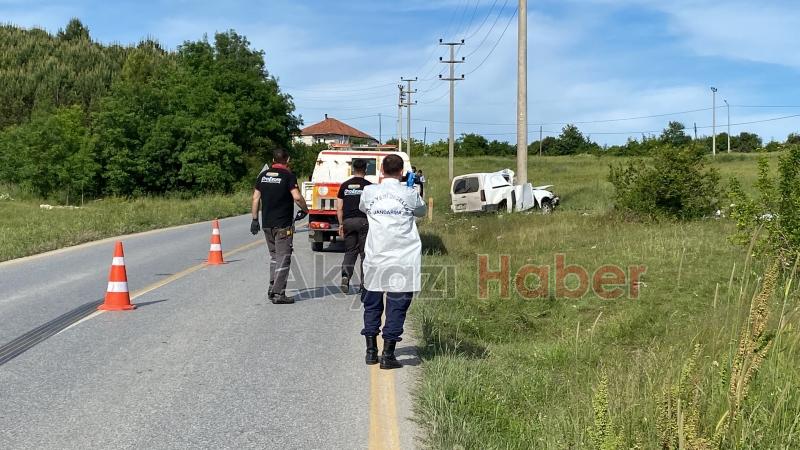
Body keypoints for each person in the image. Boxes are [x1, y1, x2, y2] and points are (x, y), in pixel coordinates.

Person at [358, 154, 427, 369]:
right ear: (402, 172)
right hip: (402, 258)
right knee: (397, 305)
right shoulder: (410, 193)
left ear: (381, 170)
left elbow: (363, 208)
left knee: (372, 303)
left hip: (376, 256)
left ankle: (371, 351)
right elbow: (422, 212)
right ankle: (388, 355)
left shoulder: (369, 192)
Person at [250, 148, 309, 304]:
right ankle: (278, 293)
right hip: (283, 225)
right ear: (287, 160)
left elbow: (255, 198)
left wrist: (255, 219)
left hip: (267, 224)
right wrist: (305, 209)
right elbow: (297, 197)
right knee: (284, 258)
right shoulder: (288, 176)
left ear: (273, 160)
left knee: (275, 257)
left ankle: (272, 287)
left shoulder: (263, 176)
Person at [336, 159, 371, 293]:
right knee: (364, 253)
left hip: (348, 222)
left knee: (350, 251)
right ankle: (364, 284)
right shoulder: (369, 186)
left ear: (352, 169)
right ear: (365, 169)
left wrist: (341, 224)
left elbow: (339, 208)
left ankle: (345, 276)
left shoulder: (344, 186)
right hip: (363, 221)